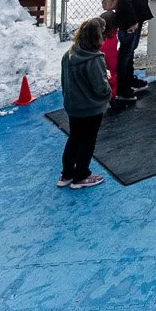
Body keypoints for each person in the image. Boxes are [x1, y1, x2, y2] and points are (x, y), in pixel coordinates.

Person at [58, 18, 112, 189]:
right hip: (91, 108)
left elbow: (64, 80)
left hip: (73, 106)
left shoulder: (69, 54)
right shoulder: (94, 59)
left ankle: (67, 173)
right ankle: (81, 174)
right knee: (88, 141)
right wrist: (108, 89)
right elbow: (100, 87)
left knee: (74, 138)